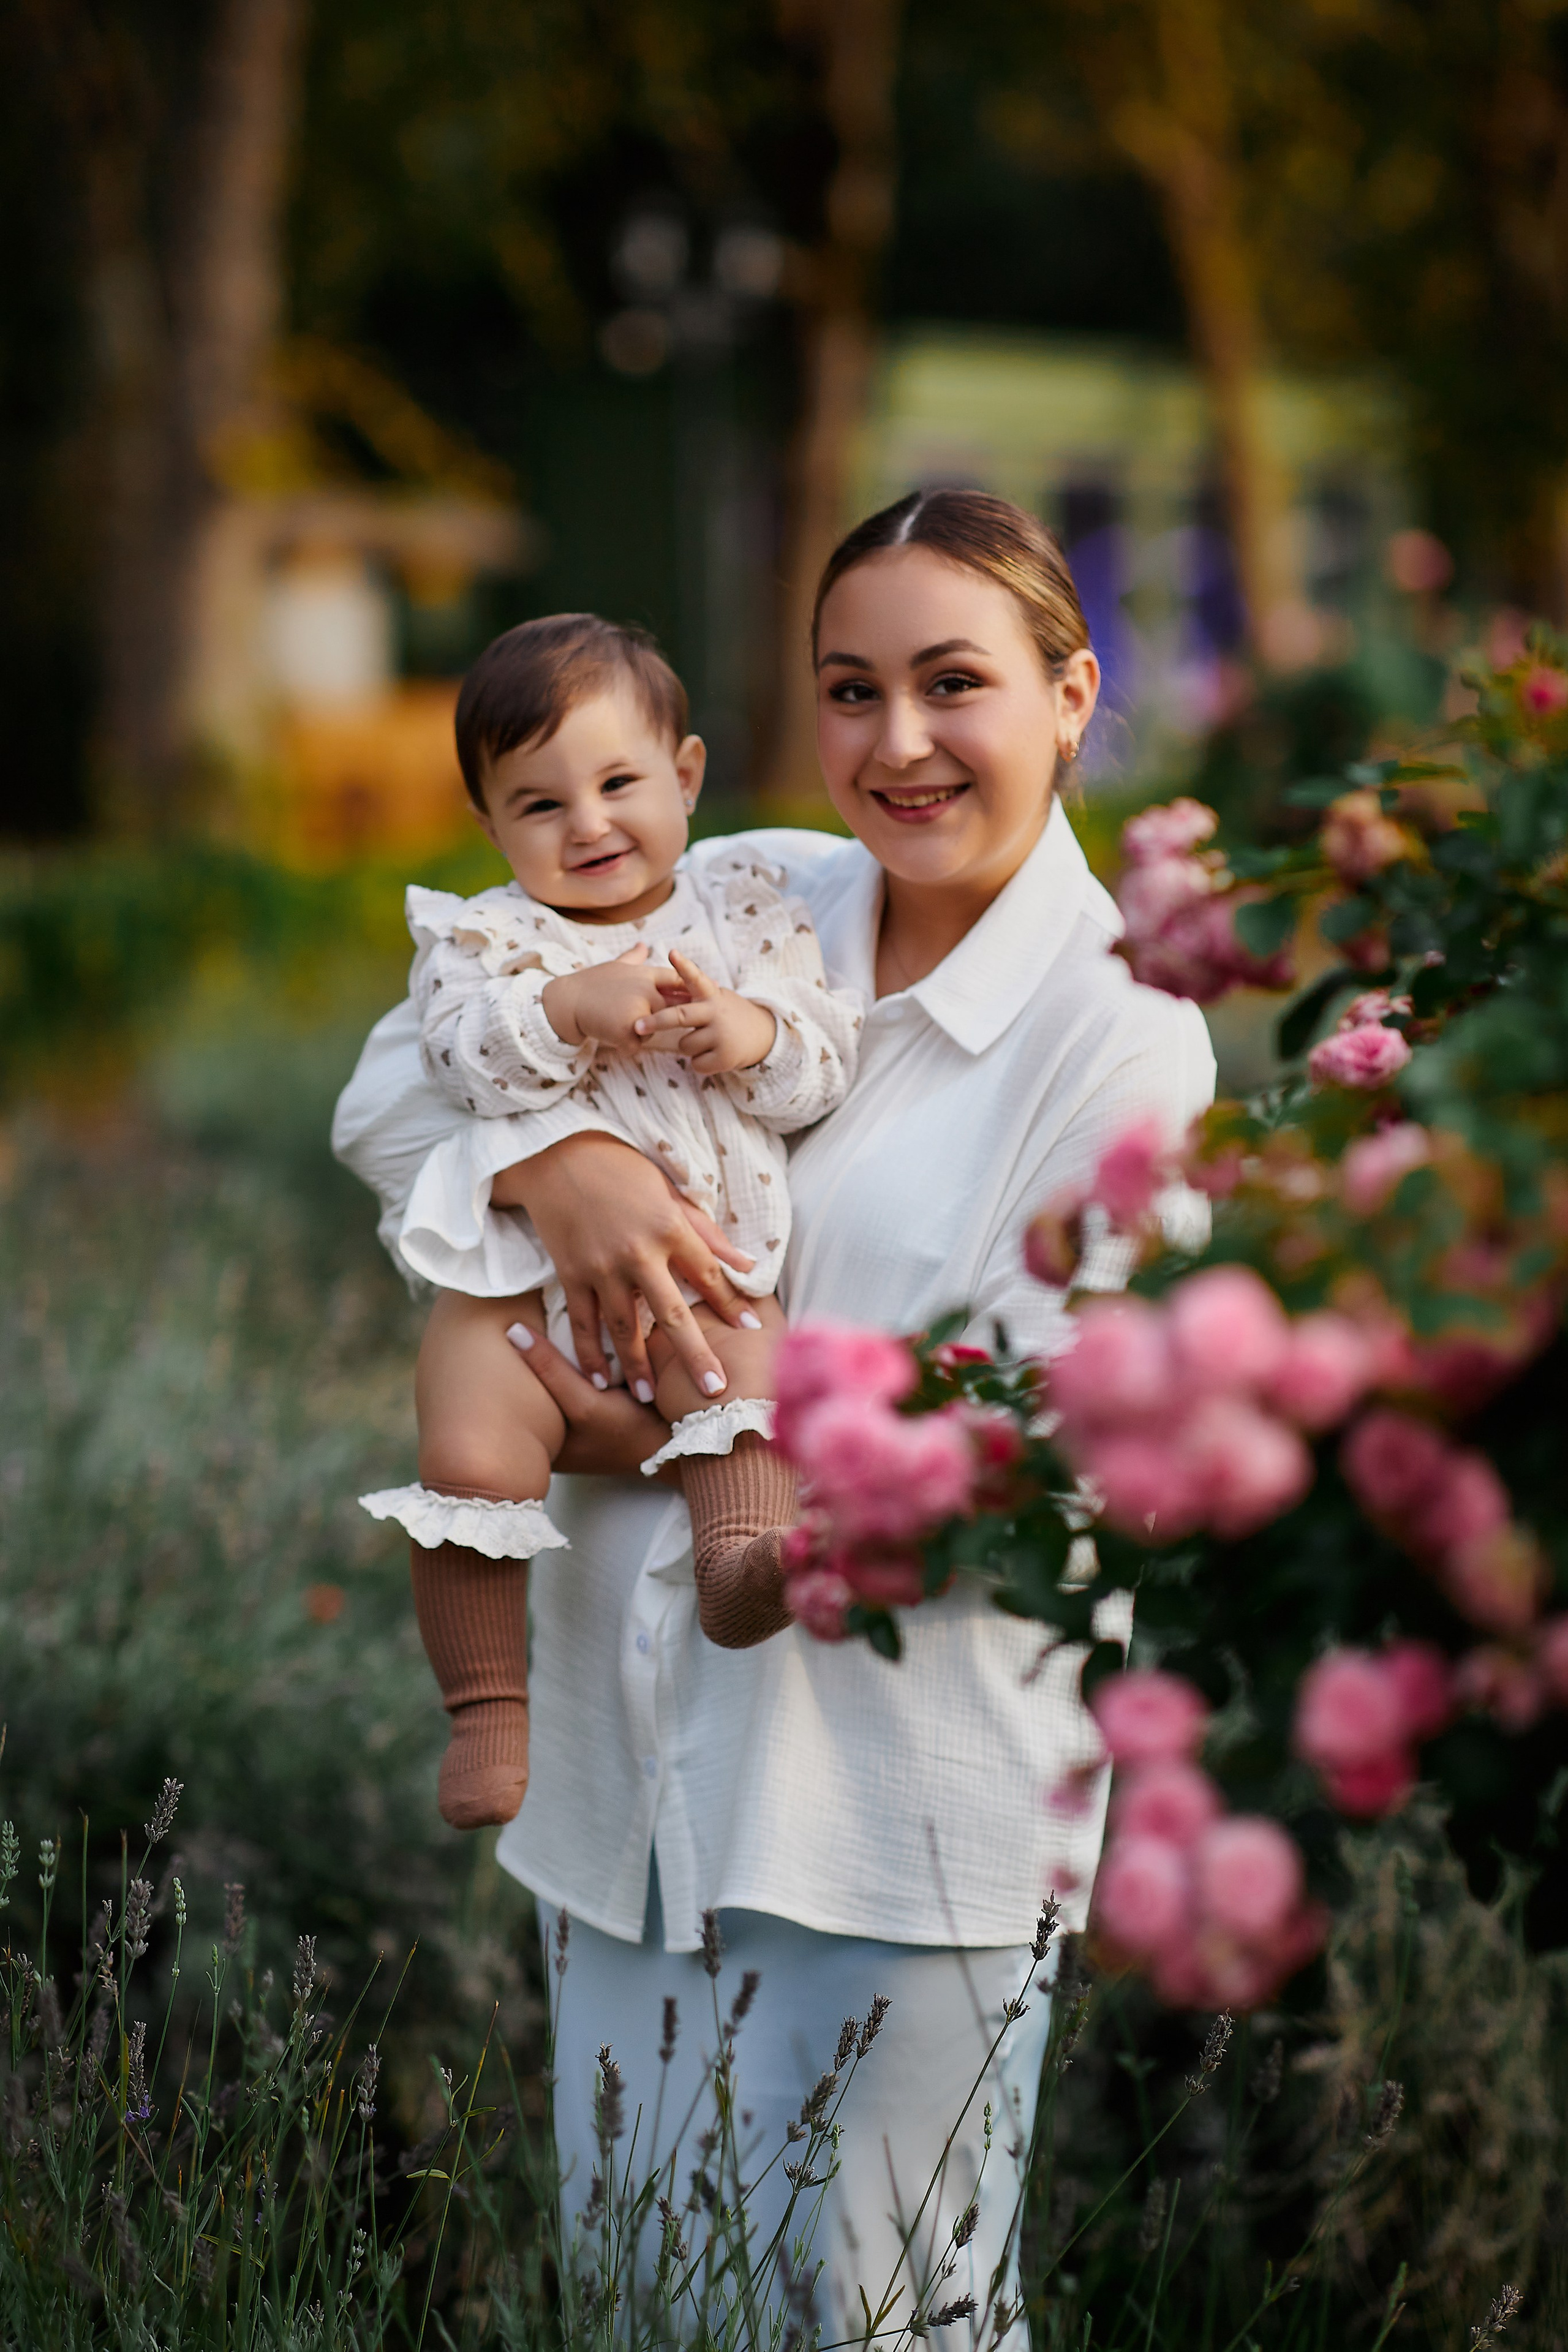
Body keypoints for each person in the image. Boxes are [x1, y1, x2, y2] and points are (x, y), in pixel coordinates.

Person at [333, 489, 1216, 2338]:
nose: (897, 744)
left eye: (953, 683)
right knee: (652, 2309)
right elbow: (399, 1081)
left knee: (886, 2320)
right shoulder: (756, 892)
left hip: (888, 1806)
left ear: (1071, 695)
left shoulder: (1120, 1033)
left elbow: (1048, 1448)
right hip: (631, 1783)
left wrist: (651, 1434)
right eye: (851, 688)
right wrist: (564, 1170)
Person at [358, 612, 864, 1831]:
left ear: (686, 776)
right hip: (516, 1284)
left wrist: (752, 1033)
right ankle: (485, 1704)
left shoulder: (747, 913)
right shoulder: (484, 938)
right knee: (469, 1448)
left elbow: (822, 1059)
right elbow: (451, 1060)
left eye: (618, 784)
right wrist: (563, 1008)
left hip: (708, 1271)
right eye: (539, 804)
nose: (586, 824)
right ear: (491, 824)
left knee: (742, 1381)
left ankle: (737, 1565)